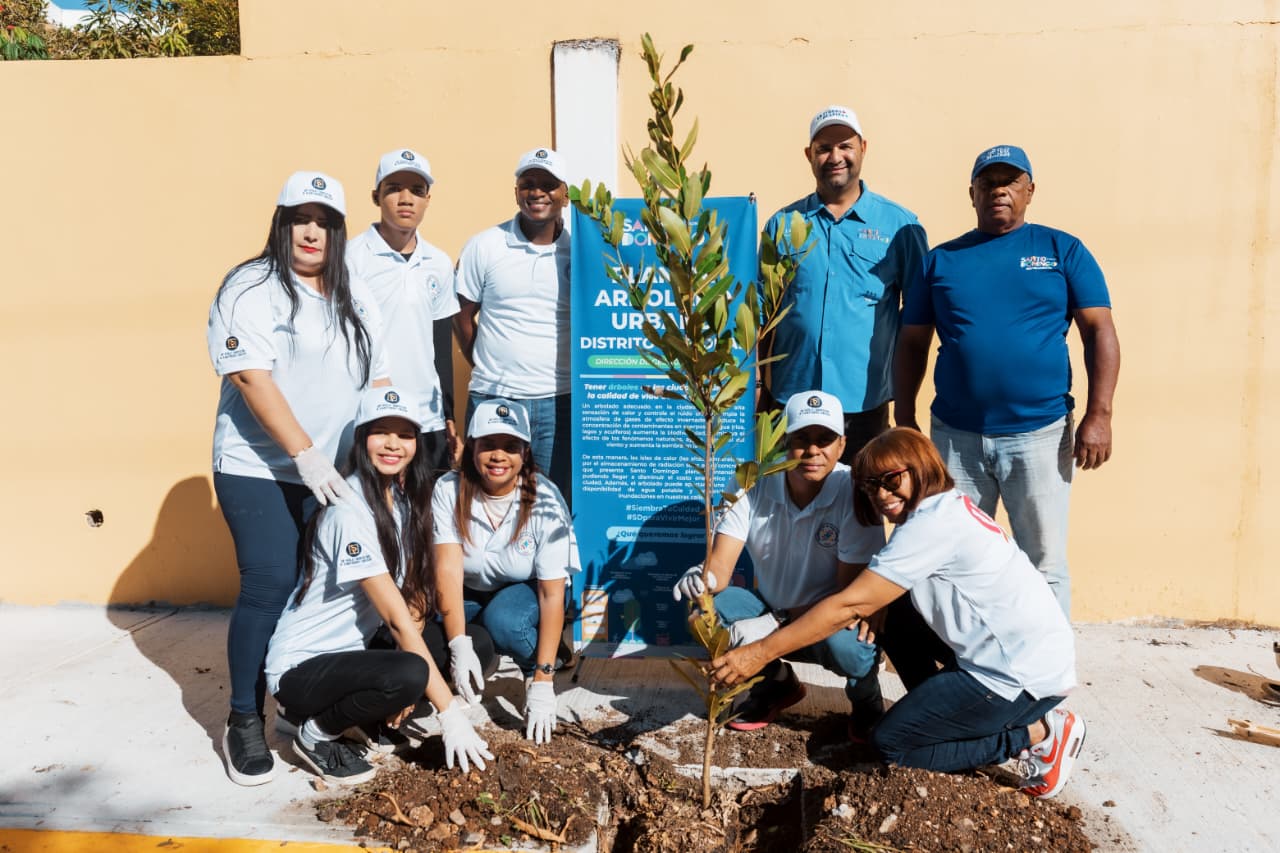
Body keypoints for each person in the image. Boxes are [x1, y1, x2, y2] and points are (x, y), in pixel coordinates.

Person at [708, 428, 1086, 800]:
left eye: (891, 480)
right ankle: (943, 717)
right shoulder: (942, 507)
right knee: (896, 612)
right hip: (1029, 658)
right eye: (870, 486)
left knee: (893, 744)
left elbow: (848, 605)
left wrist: (759, 652)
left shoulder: (930, 525)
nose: (882, 495)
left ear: (921, 467)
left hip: (1018, 680)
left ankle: (1038, 735)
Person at [207, 170, 389, 786]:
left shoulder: (352, 293)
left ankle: (299, 707)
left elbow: (373, 380)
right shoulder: (250, 286)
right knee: (270, 581)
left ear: (338, 232)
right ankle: (241, 720)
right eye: (300, 219)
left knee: (319, 591)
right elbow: (250, 378)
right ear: (281, 222)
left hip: (331, 472)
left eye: (325, 222)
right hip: (258, 465)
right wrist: (305, 453)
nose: (311, 233)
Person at [894, 145, 1121, 617]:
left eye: (1011, 181)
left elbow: (1099, 332)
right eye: (989, 181)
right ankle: (963, 669)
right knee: (952, 557)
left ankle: (1047, 678)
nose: (999, 190)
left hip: (1039, 434)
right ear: (972, 193)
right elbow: (912, 342)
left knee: (1043, 562)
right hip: (956, 439)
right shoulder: (941, 261)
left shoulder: (1062, 250)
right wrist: (904, 418)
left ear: (1030, 191)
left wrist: (1099, 415)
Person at [265, 387, 492, 785]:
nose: (393, 444)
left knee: (472, 643)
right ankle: (315, 733)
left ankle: (366, 713)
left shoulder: (400, 502)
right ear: (361, 438)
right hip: (302, 668)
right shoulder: (348, 510)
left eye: (405, 435)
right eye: (380, 432)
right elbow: (395, 617)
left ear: (417, 444)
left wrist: (414, 677)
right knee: (409, 670)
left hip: (355, 653)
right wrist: (448, 713)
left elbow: (414, 601)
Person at [673, 391, 886, 737]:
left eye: (825, 439)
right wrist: (702, 578)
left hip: (830, 619)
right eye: (801, 437)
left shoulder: (855, 493)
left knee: (850, 647)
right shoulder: (751, 483)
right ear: (783, 439)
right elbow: (720, 570)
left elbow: (848, 597)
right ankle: (776, 683)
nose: (813, 450)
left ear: (842, 444)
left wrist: (774, 624)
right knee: (703, 614)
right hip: (770, 603)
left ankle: (866, 700)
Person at [762, 106, 928, 459]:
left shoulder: (901, 227)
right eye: (824, 148)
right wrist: (760, 389)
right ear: (810, 155)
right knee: (785, 507)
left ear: (863, 149)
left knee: (861, 505)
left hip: (864, 406)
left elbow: (917, 323)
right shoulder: (781, 225)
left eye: (845, 146)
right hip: (791, 401)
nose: (835, 157)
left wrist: (907, 406)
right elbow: (762, 317)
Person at [431, 399, 580, 745]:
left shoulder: (545, 499)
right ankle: (481, 654)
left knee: (505, 622)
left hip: (527, 589)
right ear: (472, 448)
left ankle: (539, 662)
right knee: (436, 631)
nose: (499, 456)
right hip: (469, 588)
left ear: (525, 453)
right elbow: (449, 572)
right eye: (488, 445)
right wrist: (459, 644)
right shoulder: (448, 490)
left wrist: (543, 680)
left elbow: (551, 592)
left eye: (511, 447)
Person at [454, 147, 573, 498]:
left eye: (548, 184)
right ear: (516, 192)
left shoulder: (581, 251)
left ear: (565, 195)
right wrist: (486, 362)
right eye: (527, 184)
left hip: (559, 401)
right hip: (494, 395)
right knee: (485, 499)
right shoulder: (484, 246)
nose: (537, 192)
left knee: (549, 501)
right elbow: (462, 317)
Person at [347, 148, 460, 476]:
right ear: (376, 197)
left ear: (428, 199)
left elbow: (441, 345)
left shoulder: (437, 262)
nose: (406, 198)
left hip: (427, 419)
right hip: (371, 416)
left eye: (417, 190)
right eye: (394, 188)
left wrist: (450, 417)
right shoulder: (350, 259)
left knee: (428, 520)